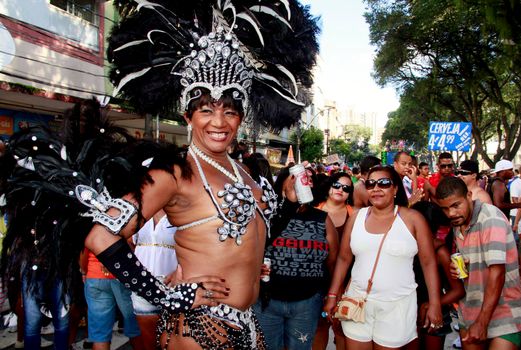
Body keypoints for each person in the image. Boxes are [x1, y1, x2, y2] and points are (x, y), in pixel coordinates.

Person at [0, 1, 319, 349]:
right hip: (199, 328)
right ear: (187, 116)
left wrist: (286, 205)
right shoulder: (175, 173)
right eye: (207, 110)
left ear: (240, 118)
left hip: (247, 323)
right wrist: (167, 295)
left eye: (230, 111)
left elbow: (256, 236)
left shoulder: (243, 171)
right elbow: (101, 236)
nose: (219, 122)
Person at [324, 165, 442, 350]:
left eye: (384, 183)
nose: (376, 188)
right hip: (357, 303)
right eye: (371, 184)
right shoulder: (356, 218)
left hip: (397, 307)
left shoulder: (413, 219)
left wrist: (435, 303)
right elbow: (343, 259)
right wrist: (332, 295)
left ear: (395, 188)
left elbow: (428, 263)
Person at [254, 166, 339, 350]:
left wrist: (328, 294)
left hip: (307, 302)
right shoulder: (268, 215)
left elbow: (332, 261)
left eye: (308, 178)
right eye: (297, 177)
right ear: (283, 183)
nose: (303, 181)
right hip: (268, 301)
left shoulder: (322, 219)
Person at [435, 176, 521, 350]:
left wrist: (482, 322)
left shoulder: (490, 218)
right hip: (470, 311)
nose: (451, 213)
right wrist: (463, 267)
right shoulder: (458, 222)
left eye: (455, 205)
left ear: (469, 195)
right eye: (445, 209)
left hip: (504, 313)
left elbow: (497, 272)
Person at [409, 201, 465, 350]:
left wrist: (432, 304)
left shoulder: (440, 252)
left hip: (433, 313)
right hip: (406, 310)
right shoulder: (406, 246)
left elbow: (458, 290)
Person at [313, 172, 353, 350]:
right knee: (320, 327)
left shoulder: (355, 215)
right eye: (337, 185)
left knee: (341, 327)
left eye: (346, 188)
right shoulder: (313, 210)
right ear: (329, 186)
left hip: (346, 280)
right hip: (316, 280)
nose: (340, 190)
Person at [130, 210, 178, 349]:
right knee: (148, 340)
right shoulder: (140, 217)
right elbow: (130, 241)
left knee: (171, 339)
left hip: (171, 288)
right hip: (142, 287)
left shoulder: (178, 216)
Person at [81, 247, 141, 350]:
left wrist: (83, 271)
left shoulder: (89, 230)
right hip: (122, 274)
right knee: (135, 325)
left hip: (95, 275)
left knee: (100, 334)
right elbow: (132, 245)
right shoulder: (123, 230)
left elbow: (84, 250)